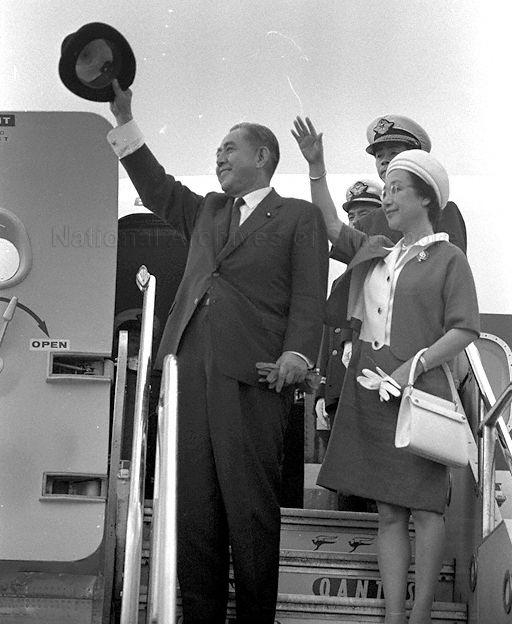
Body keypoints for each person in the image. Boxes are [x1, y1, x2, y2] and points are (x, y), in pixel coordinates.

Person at [106, 80, 328, 624]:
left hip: (254, 377)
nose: (220, 156)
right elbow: (156, 187)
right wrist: (126, 118)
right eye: (218, 150)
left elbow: (308, 294)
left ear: (263, 157)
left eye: (230, 148)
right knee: (193, 509)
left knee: (250, 510)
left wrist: (297, 355)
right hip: (187, 375)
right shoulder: (205, 210)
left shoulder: (299, 217)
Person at [315, 149, 480, 624]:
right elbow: (330, 224)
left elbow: (464, 328)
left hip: (421, 392)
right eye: (384, 189)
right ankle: (393, 615)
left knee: (426, 511)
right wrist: (316, 167)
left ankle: (421, 615)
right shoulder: (376, 251)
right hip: (371, 392)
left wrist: (416, 364)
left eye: (396, 189)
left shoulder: (449, 258)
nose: (386, 197)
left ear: (426, 197)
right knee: (388, 512)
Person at [291, 114, 467, 255]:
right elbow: (331, 224)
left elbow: (453, 274)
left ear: (415, 158)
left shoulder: (443, 211)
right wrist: (316, 166)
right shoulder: (367, 224)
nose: (385, 160)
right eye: (379, 155)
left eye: (394, 152)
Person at [315, 179, 382, 511]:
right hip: (338, 389)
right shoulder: (344, 279)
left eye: (365, 214)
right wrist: (320, 392)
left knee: (364, 478)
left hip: (364, 381)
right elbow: (330, 339)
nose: (357, 222)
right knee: (342, 477)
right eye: (353, 215)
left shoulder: (380, 270)